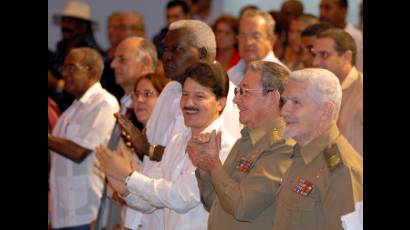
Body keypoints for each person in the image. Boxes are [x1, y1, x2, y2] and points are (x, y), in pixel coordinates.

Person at [95, 61, 235, 230]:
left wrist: (129, 176)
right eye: (185, 94)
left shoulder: (224, 146)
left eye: (199, 96)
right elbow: (153, 201)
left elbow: (180, 198)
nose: (188, 103)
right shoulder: (178, 140)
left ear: (220, 103)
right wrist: (125, 190)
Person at [187, 61, 294, 229]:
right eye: (237, 91)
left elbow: (242, 206)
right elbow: (214, 202)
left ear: (272, 98)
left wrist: (214, 166)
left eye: (244, 92)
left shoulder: (283, 146)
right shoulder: (245, 140)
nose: (236, 100)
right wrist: (204, 166)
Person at [273, 68, 363, 229]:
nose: (284, 111)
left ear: (325, 111)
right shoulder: (301, 154)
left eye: (296, 102)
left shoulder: (342, 169)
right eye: (285, 102)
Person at [48, 47, 120, 230]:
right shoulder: (69, 112)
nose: (65, 74)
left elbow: (80, 151)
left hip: (87, 213)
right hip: (61, 214)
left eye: (71, 67)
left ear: (92, 71)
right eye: (64, 68)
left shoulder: (105, 103)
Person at [96, 36, 159, 230]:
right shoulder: (123, 105)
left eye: (122, 59)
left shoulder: (159, 114)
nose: (113, 65)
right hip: (121, 213)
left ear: (146, 62)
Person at [312, 28, 363, 155]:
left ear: (347, 57)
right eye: (315, 54)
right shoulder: (315, 89)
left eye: (324, 55)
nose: (315, 62)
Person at [49, 0, 104, 112]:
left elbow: (86, 88)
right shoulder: (61, 48)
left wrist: (55, 83)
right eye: (64, 21)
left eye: (71, 22)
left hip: (80, 111)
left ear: (83, 26)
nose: (65, 26)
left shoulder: (91, 54)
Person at [319, 0, 363, 71]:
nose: (322, 13)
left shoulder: (357, 37)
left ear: (343, 11)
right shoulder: (321, 36)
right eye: (321, 8)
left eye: (328, 8)